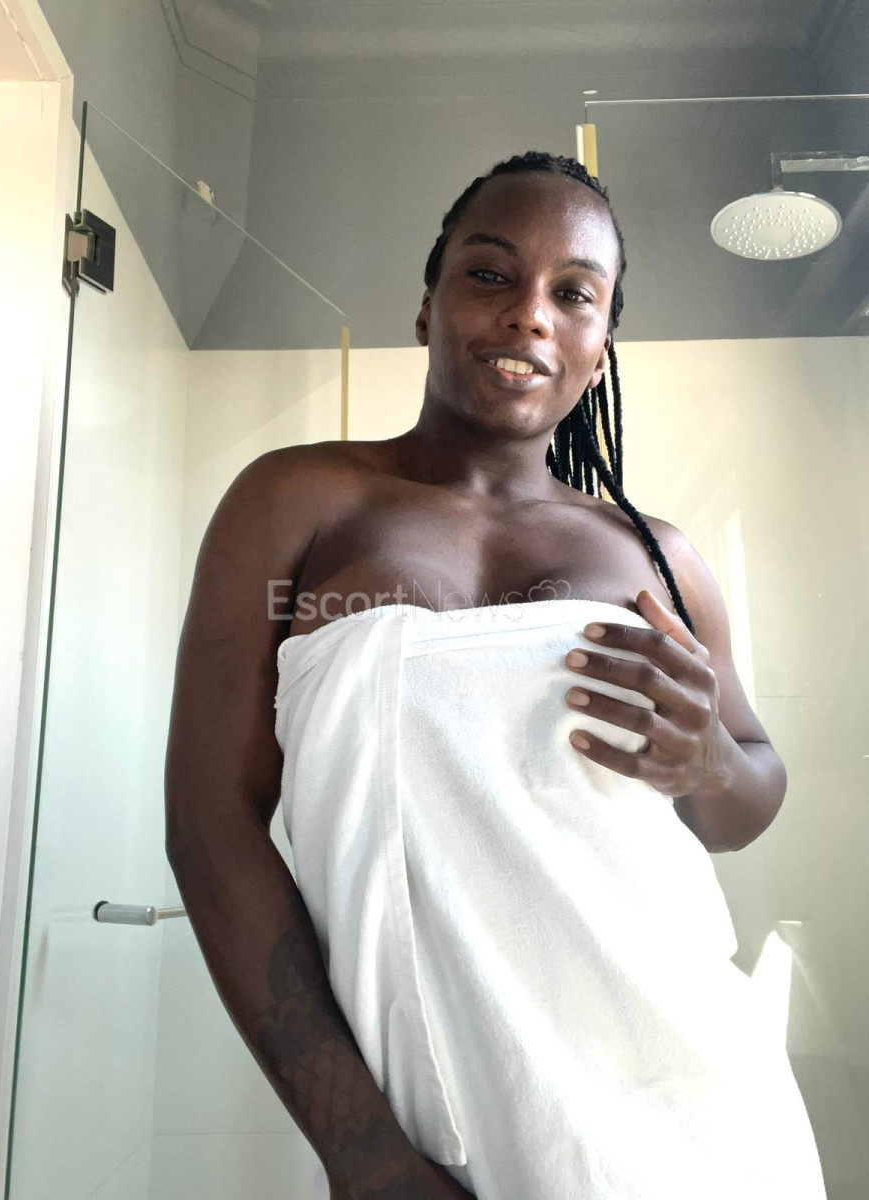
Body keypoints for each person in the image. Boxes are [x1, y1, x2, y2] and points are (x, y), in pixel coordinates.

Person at [165, 152, 826, 1199]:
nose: (529, 315)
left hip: (701, 1097)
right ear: (426, 307)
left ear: (600, 350)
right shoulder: (296, 500)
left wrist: (708, 760)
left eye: (575, 294)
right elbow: (210, 821)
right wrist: (361, 1149)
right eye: (489, 275)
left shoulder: (660, 556)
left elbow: (747, 794)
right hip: (446, 1120)